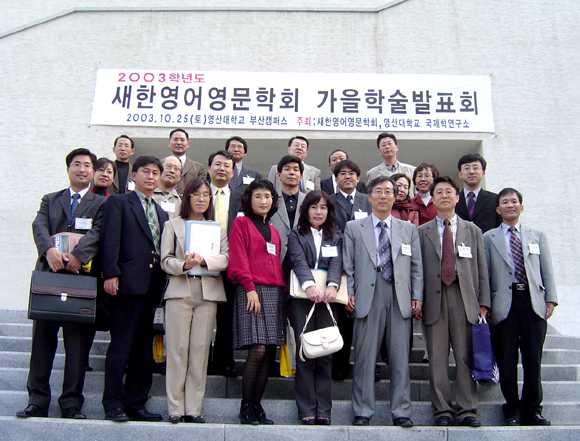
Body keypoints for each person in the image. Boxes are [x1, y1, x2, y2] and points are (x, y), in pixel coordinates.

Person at [17, 148, 106, 420]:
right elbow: (39, 226)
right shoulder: (50, 199)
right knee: (42, 344)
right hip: (50, 276)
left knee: (77, 348)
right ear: (68, 169)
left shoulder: (101, 204)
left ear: (93, 172)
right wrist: (49, 251)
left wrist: (79, 256)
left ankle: (71, 404)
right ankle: (37, 401)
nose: (82, 169)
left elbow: (98, 232)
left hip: (81, 280)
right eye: (76, 164)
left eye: (87, 165)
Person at [344, 176, 423, 428]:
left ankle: (401, 411)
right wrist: (349, 292)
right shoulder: (354, 228)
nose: (383, 196)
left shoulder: (408, 229)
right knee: (365, 357)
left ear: (395, 196)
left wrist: (417, 295)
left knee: (400, 358)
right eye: (378, 191)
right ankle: (362, 411)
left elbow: (416, 267)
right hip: (367, 294)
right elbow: (348, 264)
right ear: (369, 197)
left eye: (388, 191)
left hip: (400, 295)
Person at [100, 156, 169, 422]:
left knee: (143, 348)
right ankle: (113, 404)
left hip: (153, 286)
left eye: (155, 173)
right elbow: (109, 240)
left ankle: (137, 404)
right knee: (121, 345)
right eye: (146, 172)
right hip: (126, 283)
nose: (151, 177)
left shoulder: (161, 212)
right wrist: (111, 273)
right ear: (134, 175)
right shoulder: (119, 203)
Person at [418, 176, 490, 427]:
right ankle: (442, 410)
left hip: (464, 299)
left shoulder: (473, 230)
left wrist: (484, 302)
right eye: (439, 192)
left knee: (464, 356)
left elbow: (482, 269)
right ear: (433, 198)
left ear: (457, 198)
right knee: (437, 359)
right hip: (433, 299)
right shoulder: (421, 231)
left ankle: (467, 409)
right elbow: (418, 269)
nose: (444, 196)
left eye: (449, 192)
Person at [483, 188, 557, 426]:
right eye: (505, 202)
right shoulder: (488, 238)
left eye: (514, 201)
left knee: (533, 359)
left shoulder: (537, 235)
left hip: (532, 302)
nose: (510, 205)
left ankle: (532, 409)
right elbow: (484, 275)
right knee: (506, 360)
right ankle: (513, 408)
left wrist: (550, 299)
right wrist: (485, 304)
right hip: (503, 303)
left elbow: (546, 269)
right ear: (498, 209)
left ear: (521, 207)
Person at [160, 178, 229, 424]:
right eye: (197, 194)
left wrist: (204, 261)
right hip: (180, 289)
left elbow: (226, 258)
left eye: (206, 195)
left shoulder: (216, 228)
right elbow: (165, 259)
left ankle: (194, 408)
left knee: (200, 351)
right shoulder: (172, 224)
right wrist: (184, 264)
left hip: (208, 292)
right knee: (177, 350)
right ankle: (175, 408)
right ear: (187, 197)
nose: (202, 199)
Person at [228, 180, 286, 425]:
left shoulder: (273, 230)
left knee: (269, 351)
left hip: (274, 292)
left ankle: (257, 406)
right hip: (251, 289)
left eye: (268, 196)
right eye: (258, 196)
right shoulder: (241, 223)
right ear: (249, 200)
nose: (263, 201)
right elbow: (238, 258)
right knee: (258, 349)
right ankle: (246, 405)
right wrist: (249, 288)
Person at [287, 190, 342, 425]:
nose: (318, 212)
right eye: (313, 207)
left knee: (325, 353)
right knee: (305, 352)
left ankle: (324, 410)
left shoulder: (336, 236)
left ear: (329, 211)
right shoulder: (296, 234)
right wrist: (309, 285)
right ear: (306, 210)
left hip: (328, 300)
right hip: (302, 299)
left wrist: (332, 285)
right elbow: (298, 260)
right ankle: (306, 409)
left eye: (323, 208)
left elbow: (337, 262)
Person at [329, 159, 371, 381]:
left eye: (351, 173)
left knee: (367, 320)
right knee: (343, 320)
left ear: (358, 178)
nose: (347, 177)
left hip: (366, 266)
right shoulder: (329, 200)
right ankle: (340, 365)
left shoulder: (368, 200)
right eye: (342, 174)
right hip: (338, 264)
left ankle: (368, 366)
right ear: (336, 179)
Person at [207, 150, 243, 378]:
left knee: (227, 316)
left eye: (227, 166)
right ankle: (201, 361)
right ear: (209, 168)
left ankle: (224, 361)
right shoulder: (198, 193)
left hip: (231, 265)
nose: (222, 169)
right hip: (201, 263)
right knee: (202, 316)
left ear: (232, 172)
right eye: (217, 164)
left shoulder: (242, 198)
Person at [269, 155, 306, 264]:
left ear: (301, 176)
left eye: (296, 169)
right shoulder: (270, 201)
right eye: (287, 169)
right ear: (278, 175)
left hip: (302, 257)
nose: (291, 173)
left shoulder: (308, 201)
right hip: (275, 256)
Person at [455, 153, 501, 233]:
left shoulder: (495, 199)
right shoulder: (453, 200)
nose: (471, 172)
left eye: (475, 168)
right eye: (467, 168)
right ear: (460, 174)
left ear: (483, 173)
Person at [168, 128, 207, 195]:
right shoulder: (161, 165)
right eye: (175, 139)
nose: (178, 143)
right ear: (169, 143)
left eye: (182, 140)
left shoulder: (199, 168)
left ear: (187, 144)